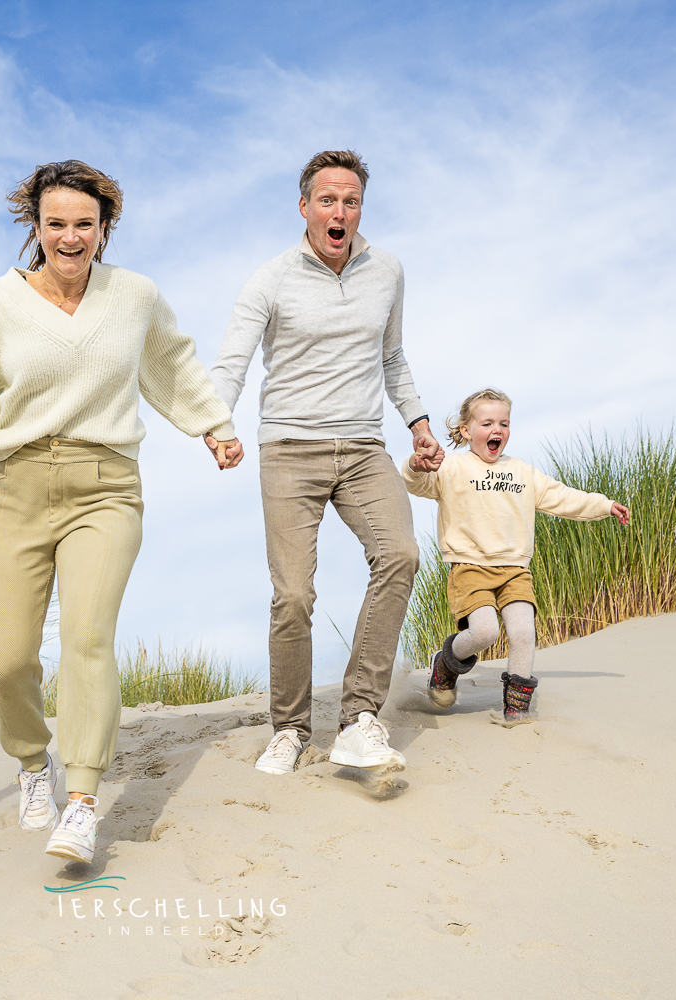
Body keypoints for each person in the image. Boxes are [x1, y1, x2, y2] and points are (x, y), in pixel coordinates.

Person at [0, 160, 239, 865]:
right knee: (6, 660)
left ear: (105, 229)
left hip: (106, 486)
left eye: (85, 225)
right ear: (34, 228)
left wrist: (213, 426)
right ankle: (33, 763)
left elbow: (173, 365)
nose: (71, 238)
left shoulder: (135, 297)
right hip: (15, 487)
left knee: (87, 639)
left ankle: (83, 801)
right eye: (57, 224)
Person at [207, 149, 443, 776]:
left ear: (360, 206)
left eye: (351, 200)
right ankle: (288, 729)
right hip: (288, 450)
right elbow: (232, 361)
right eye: (328, 200)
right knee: (292, 596)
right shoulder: (271, 278)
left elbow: (392, 357)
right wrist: (215, 423)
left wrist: (417, 423)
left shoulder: (387, 270)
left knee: (400, 556)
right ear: (305, 206)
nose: (340, 212)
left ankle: (360, 716)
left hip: (364, 447)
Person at [403, 388, 630, 724]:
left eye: (504, 423)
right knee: (485, 634)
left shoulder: (522, 472)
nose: (497, 430)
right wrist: (415, 466)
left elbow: (561, 497)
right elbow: (417, 484)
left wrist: (603, 505)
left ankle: (517, 710)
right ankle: (446, 663)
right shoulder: (453, 467)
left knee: (524, 633)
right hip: (470, 567)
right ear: (466, 431)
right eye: (487, 423)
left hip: (515, 571)